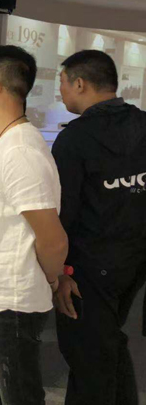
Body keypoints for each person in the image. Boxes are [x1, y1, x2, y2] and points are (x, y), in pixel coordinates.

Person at [0, 45, 69, 405]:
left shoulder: (22, 151)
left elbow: (52, 239)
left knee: (18, 397)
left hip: (11, 301)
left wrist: (50, 280)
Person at [52, 50, 146, 405]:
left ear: (80, 83)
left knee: (87, 355)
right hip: (133, 261)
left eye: (62, 83)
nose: (61, 91)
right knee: (106, 343)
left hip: (88, 268)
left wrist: (59, 271)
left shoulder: (74, 139)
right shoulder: (143, 124)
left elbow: (63, 213)